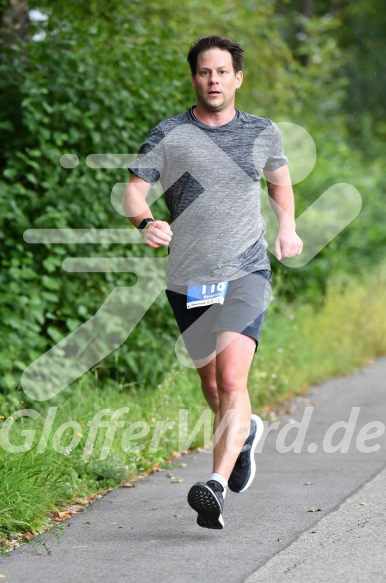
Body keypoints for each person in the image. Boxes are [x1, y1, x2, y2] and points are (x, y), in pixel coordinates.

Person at [124, 35, 303, 530]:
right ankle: (243, 434)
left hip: (246, 270)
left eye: (223, 72)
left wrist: (287, 227)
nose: (214, 80)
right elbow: (134, 194)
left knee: (231, 380)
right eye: (205, 72)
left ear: (238, 78)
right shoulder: (170, 134)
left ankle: (216, 486)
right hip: (188, 278)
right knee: (210, 384)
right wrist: (146, 224)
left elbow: (280, 183)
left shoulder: (263, 132)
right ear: (194, 77)